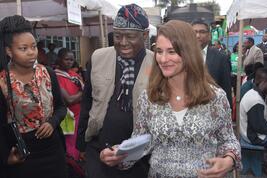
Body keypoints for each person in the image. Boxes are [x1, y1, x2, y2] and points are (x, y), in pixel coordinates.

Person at [100, 20, 241, 178]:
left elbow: (229, 140)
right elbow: (141, 143)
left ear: (188, 52)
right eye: (159, 51)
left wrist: (229, 160)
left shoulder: (215, 97)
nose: (163, 59)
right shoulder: (148, 98)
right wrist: (117, 154)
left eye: (171, 51)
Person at [76, 4, 154, 178]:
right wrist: (81, 143)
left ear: (145, 35)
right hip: (98, 149)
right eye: (118, 36)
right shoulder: (98, 57)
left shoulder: (158, 64)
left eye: (130, 36)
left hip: (141, 157)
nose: (123, 42)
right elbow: (88, 101)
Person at [0, 15, 67, 178]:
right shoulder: (2, 81)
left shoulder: (47, 73)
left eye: (34, 47)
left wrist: (52, 123)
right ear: (9, 51)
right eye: (23, 49)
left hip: (53, 150)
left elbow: (61, 107)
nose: (31, 53)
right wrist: (4, 157)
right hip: (22, 154)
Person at [192, 19, 232, 108]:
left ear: (209, 35)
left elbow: (226, 88)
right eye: (194, 32)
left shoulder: (221, 58)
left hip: (212, 109)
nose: (198, 35)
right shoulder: (181, 56)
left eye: (202, 32)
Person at [55, 48, 84, 160]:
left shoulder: (74, 75)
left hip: (79, 114)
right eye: (66, 59)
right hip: (67, 117)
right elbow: (69, 100)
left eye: (72, 60)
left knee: (77, 143)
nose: (69, 62)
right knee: (69, 145)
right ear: (59, 60)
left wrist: (81, 95)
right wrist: (82, 94)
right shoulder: (56, 76)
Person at [240, 71, 267, 149]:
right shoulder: (256, 101)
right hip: (255, 138)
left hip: (256, 133)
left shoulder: (255, 93)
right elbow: (261, 128)